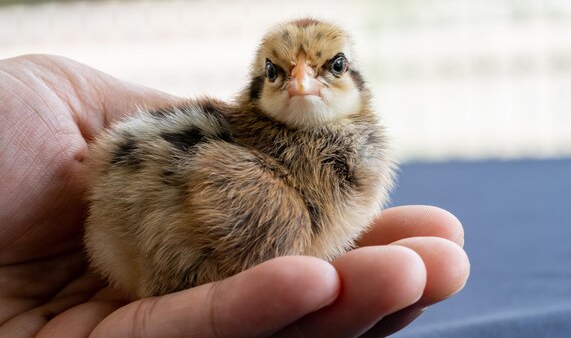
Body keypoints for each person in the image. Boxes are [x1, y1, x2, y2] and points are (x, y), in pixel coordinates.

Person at [0, 54, 469, 338]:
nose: (302, 81)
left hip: (110, 237)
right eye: (277, 71)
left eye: (333, 67)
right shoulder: (255, 183)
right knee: (269, 213)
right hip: (141, 241)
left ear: (353, 77)